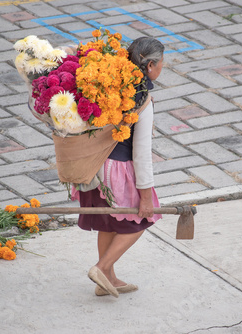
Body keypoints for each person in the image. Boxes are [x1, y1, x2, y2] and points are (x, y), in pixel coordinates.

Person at [77, 37, 165, 298]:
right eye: (162, 64)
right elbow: (141, 153)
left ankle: (109, 280)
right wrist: (146, 197)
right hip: (116, 172)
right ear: (149, 66)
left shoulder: (107, 84)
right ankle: (102, 269)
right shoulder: (142, 100)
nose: (163, 68)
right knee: (140, 219)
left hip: (93, 167)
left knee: (109, 223)